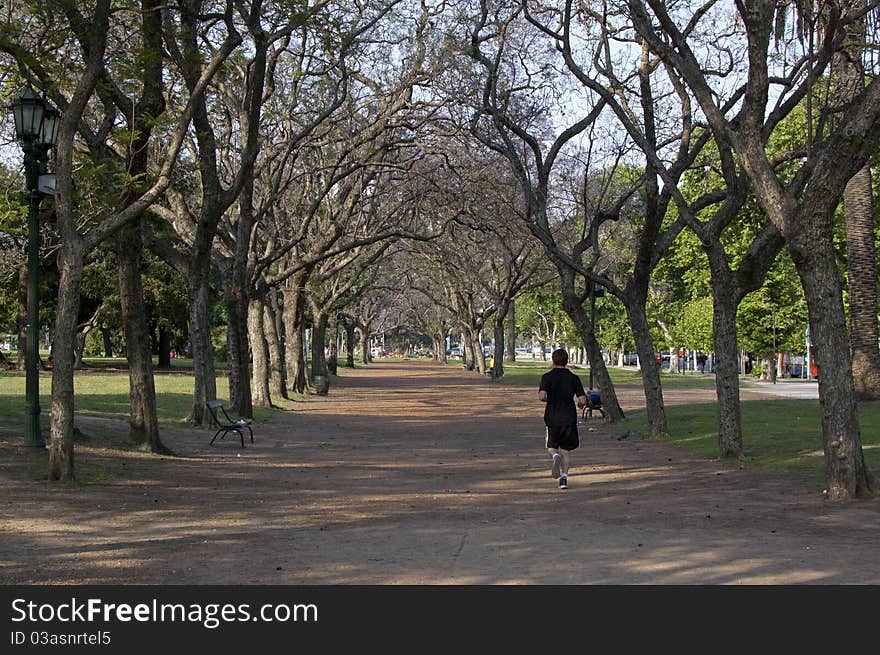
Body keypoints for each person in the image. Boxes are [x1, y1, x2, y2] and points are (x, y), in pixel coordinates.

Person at [538, 348, 587, 489]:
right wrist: (580, 405)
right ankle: (564, 479)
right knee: (565, 450)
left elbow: (542, 396)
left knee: (551, 447)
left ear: (553, 360)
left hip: (552, 417)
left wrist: (547, 399)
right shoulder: (574, 378)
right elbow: (582, 400)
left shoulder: (546, 377)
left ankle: (554, 457)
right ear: (567, 361)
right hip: (569, 417)